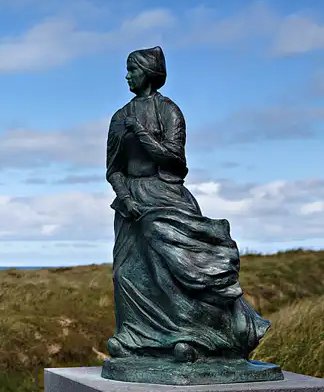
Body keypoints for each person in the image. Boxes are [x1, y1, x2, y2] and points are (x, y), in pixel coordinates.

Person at [104, 46, 270, 363]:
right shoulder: (118, 118)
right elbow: (113, 170)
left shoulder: (169, 112)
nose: (127, 76)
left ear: (148, 73)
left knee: (178, 270)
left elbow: (176, 160)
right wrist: (126, 198)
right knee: (125, 274)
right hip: (130, 202)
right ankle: (138, 341)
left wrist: (140, 132)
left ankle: (195, 337)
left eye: (132, 69)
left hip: (166, 194)